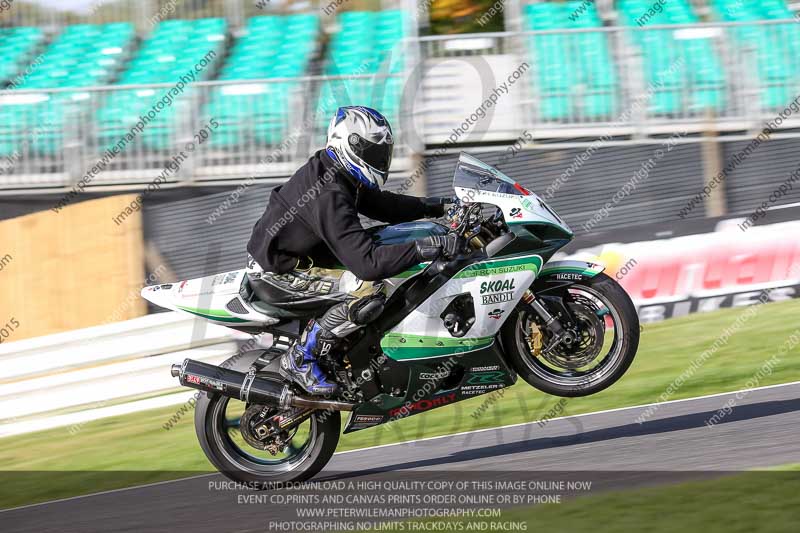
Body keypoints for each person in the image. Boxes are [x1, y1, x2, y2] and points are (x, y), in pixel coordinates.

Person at [247, 106, 459, 395]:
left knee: (388, 248)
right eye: (374, 152)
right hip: (280, 274)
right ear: (349, 143)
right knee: (369, 288)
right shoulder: (329, 193)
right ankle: (301, 358)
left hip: (302, 260)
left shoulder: (338, 173)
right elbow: (367, 264)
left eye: (383, 152)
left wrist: (439, 206)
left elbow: (383, 205)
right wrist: (426, 248)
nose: (380, 159)